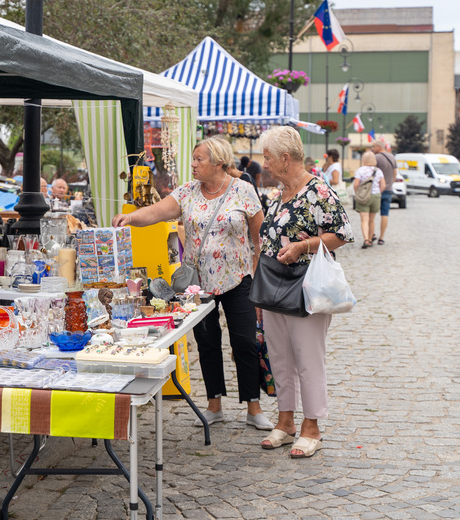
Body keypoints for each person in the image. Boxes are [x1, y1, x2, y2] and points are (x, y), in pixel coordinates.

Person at [113, 135, 273, 430]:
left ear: (218, 163)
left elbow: (259, 236)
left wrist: (260, 273)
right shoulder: (187, 192)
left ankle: (254, 407)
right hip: (198, 284)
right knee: (207, 342)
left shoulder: (243, 190)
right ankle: (214, 405)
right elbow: (156, 212)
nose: (193, 164)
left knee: (245, 342)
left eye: (199, 159)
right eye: (194, 159)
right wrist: (130, 217)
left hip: (238, 278)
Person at [257, 126, 353, 458]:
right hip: (274, 288)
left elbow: (341, 233)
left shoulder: (318, 191)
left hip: (306, 288)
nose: (264, 164)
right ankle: (285, 422)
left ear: (286, 158)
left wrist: (303, 246)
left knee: (308, 359)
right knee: (279, 358)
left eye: (267, 157)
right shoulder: (278, 194)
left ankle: (311, 427)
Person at [353, 151, 386, 249]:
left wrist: (357, 193)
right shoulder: (378, 171)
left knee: (364, 220)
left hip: (363, 197)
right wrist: (378, 193)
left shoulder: (360, 170)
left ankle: (366, 239)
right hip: (375, 196)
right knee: (372, 220)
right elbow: (383, 185)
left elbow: (356, 184)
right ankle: (371, 240)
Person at [371, 140, 396, 244]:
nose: (372, 149)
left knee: (371, 214)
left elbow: (371, 172)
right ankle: (381, 238)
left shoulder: (376, 158)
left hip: (377, 190)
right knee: (384, 214)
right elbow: (395, 173)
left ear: (378, 146)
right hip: (388, 189)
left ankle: (371, 235)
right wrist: (390, 183)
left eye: (373, 147)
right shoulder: (392, 157)